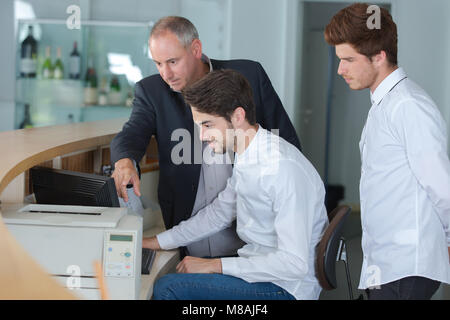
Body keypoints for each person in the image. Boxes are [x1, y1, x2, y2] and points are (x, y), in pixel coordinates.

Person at [110, 16, 301, 259]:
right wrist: (124, 160)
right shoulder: (152, 91)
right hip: (188, 231)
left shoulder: (249, 75)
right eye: (158, 63)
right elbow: (132, 133)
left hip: (252, 235)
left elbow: (286, 142)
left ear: (196, 49)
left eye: (172, 61)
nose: (165, 73)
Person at [143, 69, 328, 300]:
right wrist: (156, 241)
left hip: (285, 288)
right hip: (259, 272)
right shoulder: (247, 154)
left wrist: (216, 266)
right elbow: (218, 214)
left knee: (169, 288)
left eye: (208, 125)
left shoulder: (281, 167)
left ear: (238, 117)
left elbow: (294, 264)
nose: (201, 136)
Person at [324, 3, 450, 300]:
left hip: (406, 266)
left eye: (348, 60)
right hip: (387, 264)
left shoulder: (408, 106)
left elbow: (441, 186)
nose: (340, 69)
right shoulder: (385, 104)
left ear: (379, 57)